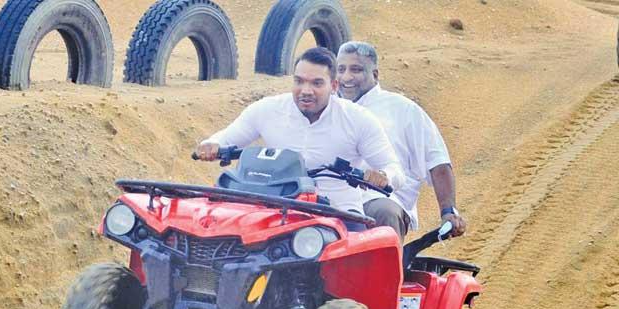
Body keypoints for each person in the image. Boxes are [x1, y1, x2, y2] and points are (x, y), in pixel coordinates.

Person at [195, 47, 405, 231]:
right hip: (273, 209)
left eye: (316, 83)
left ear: (334, 86)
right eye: (299, 81)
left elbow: (395, 170)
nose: (306, 91)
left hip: (337, 213)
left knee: (357, 262)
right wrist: (211, 145)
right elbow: (228, 137)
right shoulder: (268, 109)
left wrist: (383, 176)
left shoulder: (358, 119)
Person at [336, 41, 466, 241]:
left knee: (383, 212)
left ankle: (385, 272)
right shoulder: (326, 108)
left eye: (356, 69)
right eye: (341, 69)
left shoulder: (403, 110)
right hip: (329, 198)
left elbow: (437, 161)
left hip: (377, 200)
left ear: (375, 75)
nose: (346, 77)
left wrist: (449, 210)